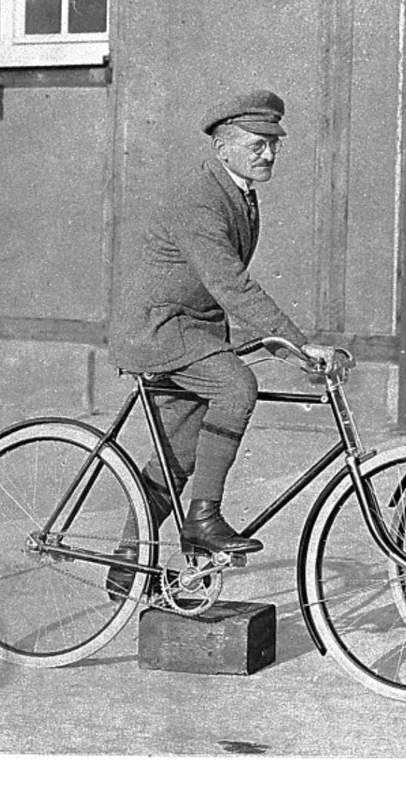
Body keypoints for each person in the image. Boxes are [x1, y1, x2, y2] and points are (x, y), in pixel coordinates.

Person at [107, 89, 332, 585]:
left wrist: (283, 344)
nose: (269, 153)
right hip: (160, 329)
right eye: (258, 144)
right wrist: (296, 343)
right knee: (235, 387)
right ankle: (203, 520)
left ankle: (127, 561)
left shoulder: (239, 194)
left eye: (274, 143)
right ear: (223, 147)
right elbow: (230, 282)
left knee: (180, 457)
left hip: (194, 329)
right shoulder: (200, 198)